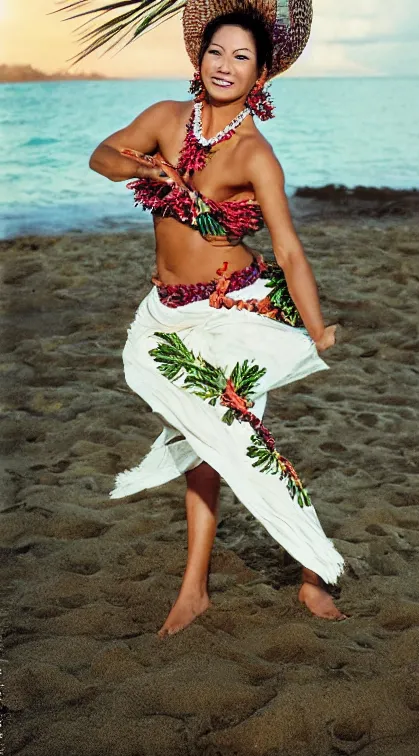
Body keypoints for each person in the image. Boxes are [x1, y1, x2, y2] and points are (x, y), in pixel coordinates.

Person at [78, 0, 348, 637]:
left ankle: (297, 576)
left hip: (235, 310)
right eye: (217, 52)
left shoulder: (256, 154)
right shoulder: (167, 120)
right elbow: (101, 155)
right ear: (200, 59)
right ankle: (207, 587)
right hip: (167, 313)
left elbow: (287, 249)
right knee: (209, 437)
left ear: (260, 76)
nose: (226, 65)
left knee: (235, 444)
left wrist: (315, 328)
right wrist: (141, 164)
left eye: (242, 58)